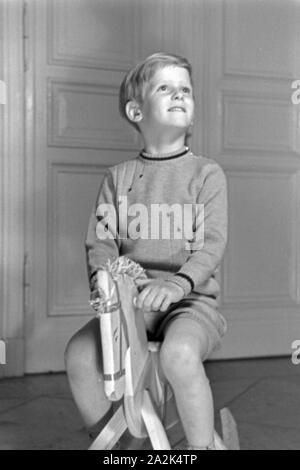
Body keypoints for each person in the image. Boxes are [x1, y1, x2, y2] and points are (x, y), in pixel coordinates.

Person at [65, 52, 228, 450]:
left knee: (179, 354)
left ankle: (199, 446)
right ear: (136, 111)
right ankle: (123, 440)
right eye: (165, 87)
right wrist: (107, 284)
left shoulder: (206, 174)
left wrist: (176, 285)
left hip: (189, 304)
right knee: (80, 355)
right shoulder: (117, 179)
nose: (179, 94)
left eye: (185, 89)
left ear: (192, 112)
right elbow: (101, 243)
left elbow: (210, 246)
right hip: (130, 305)